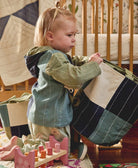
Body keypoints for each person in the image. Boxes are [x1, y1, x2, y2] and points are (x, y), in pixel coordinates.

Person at [0, 2, 103, 161]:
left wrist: (86, 61)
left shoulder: (49, 55)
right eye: (69, 35)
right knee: (57, 150)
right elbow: (73, 77)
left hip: (43, 112)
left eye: (74, 35)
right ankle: (21, 151)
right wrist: (93, 66)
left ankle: (18, 143)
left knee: (44, 143)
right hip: (51, 115)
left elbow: (71, 62)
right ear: (50, 36)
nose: (74, 40)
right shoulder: (53, 58)